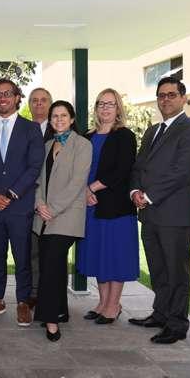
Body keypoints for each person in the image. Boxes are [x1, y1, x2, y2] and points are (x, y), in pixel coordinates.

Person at [129, 76, 190, 344]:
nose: (165, 100)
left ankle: (177, 324)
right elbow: (139, 166)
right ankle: (160, 313)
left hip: (174, 214)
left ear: (183, 98)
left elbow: (182, 171)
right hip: (149, 214)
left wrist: (149, 196)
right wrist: (134, 191)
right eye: (161, 95)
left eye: (171, 94)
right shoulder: (152, 131)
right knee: (158, 269)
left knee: (176, 272)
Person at [0, 79, 44, 327]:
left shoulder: (31, 129)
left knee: (22, 257)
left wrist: (12, 194)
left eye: (7, 93)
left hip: (19, 205)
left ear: (16, 97)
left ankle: (23, 302)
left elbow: (34, 166)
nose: (2, 98)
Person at [76, 89, 139, 324]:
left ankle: (114, 305)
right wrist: (84, 191)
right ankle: (102, 303)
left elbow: (122, 170)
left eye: (110, 104)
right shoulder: (87, 135)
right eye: (101, 104)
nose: (105, 108)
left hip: (115, 206)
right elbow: (77, 167)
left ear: (118, 108)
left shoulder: (124, 136)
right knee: (98, 255)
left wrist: (91, 188)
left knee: (114, 256)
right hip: (90, 205)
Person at [32, 101, 92, 341]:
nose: (58, 120)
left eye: (63, 115)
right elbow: (37, 180)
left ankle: (50, 320)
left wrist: (53, 209)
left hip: (67, 215)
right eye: (54, 116)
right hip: (44, 215)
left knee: (51, 265)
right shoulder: (47, 145)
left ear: (72, 118)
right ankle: (60, 310)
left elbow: (78, 182)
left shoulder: (82, 145)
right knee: (53, 265)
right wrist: (39, 204)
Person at [26, 87, 54, 308]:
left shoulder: (59, 130)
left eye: (43, 100)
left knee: (51, 253)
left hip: (53, 202)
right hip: (27, 198)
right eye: (34, 100)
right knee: (31, 250)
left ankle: (51, 295)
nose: (39, 104)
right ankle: (34, 292)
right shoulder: (24, 130)